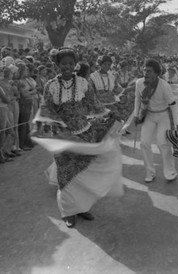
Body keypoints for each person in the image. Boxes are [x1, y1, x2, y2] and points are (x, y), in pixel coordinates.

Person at [33, 48, 123, 228]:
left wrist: (109, 113)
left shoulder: (83, 83)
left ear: (75, 65)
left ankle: (81, 207)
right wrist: (53, 131)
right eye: (63, 63)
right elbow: (46, 110)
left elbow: (94, 104)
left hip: (85, 131)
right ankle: (68, 212)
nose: (67, 67)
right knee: (66, 174)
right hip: (63, 135)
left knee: (82, 172)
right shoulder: (51, 85)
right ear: (56, 65)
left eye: (70, 63)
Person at [133, 59, 178, 183]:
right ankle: (150, 172)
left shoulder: (164, 86)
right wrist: (136, 115)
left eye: (149, 71)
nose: (145, 73)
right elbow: (137, 100)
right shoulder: (139, 83)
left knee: (162, 143)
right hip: (149, 115)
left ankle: (170, 172)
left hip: (163, 115)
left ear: (156, 73)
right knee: (144, 143)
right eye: (144, 70)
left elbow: (173, 105)